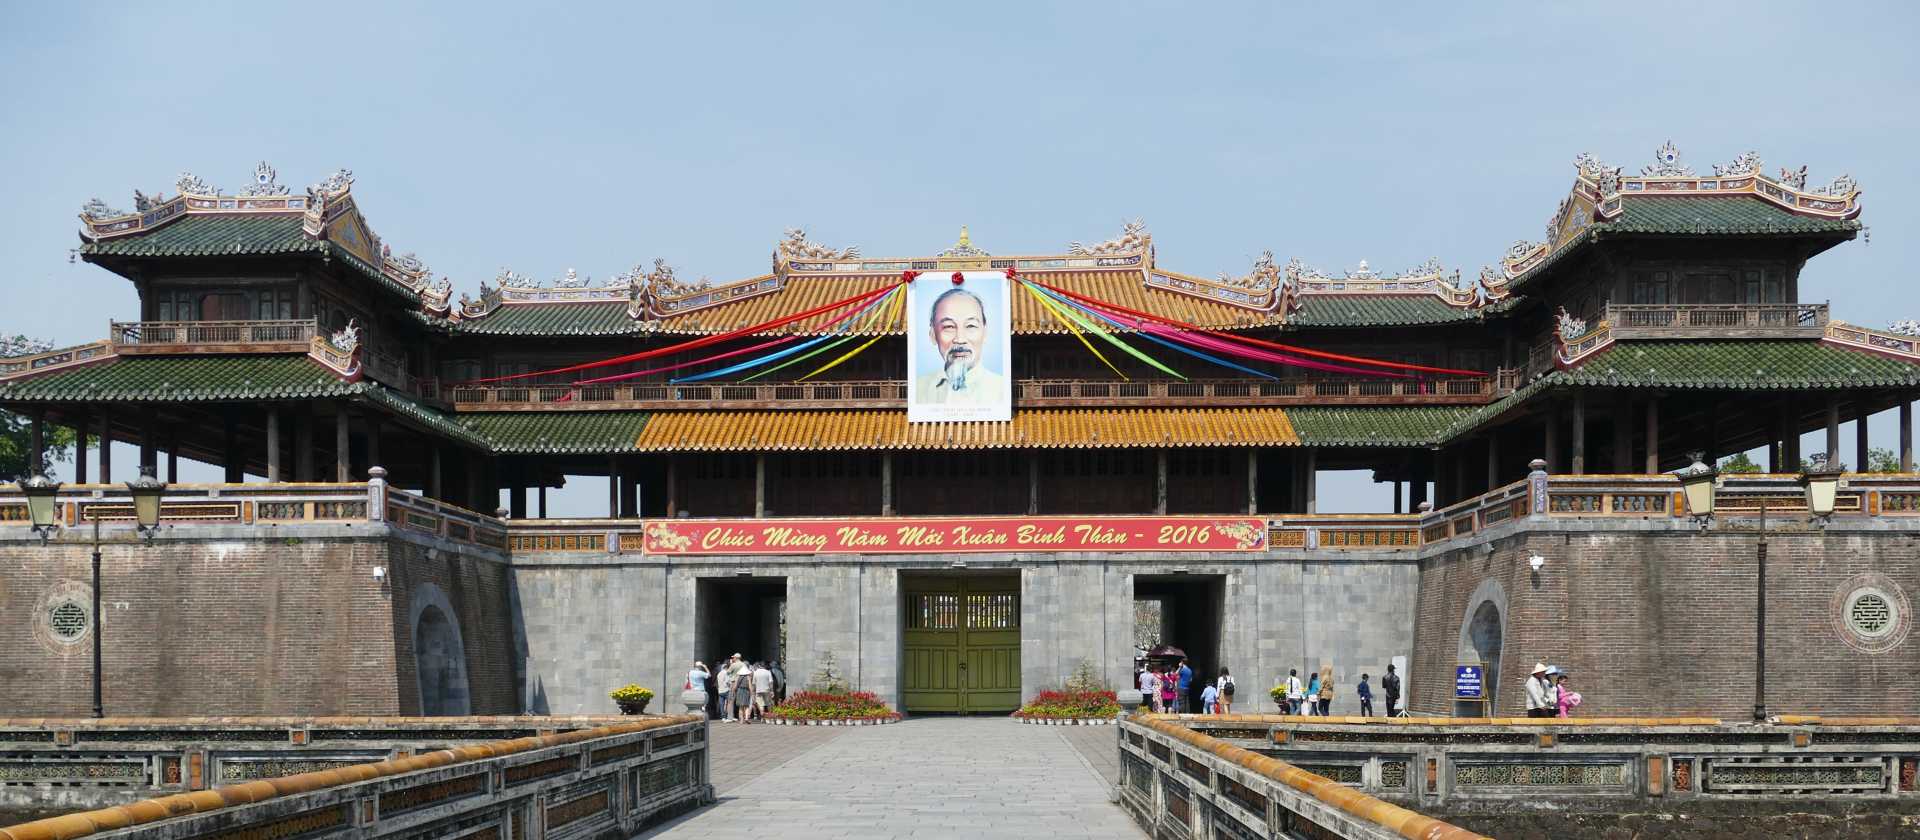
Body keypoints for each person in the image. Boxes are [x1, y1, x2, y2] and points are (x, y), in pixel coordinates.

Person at [912, 287, 1007, 405]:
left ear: (985, 333)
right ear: (932, 335)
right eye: (949, 327)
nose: (960, 339)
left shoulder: (1003, 390)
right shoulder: (917, 390)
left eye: (971, 326)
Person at [716, 655, 741, 721]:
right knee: (730, 703)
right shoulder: (726, 673)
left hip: (720, 690)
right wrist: (732, 685)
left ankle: (723, 717)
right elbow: (728, 681)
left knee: (722, 704)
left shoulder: (719, 674)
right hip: (726, 690)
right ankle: (729, 716)